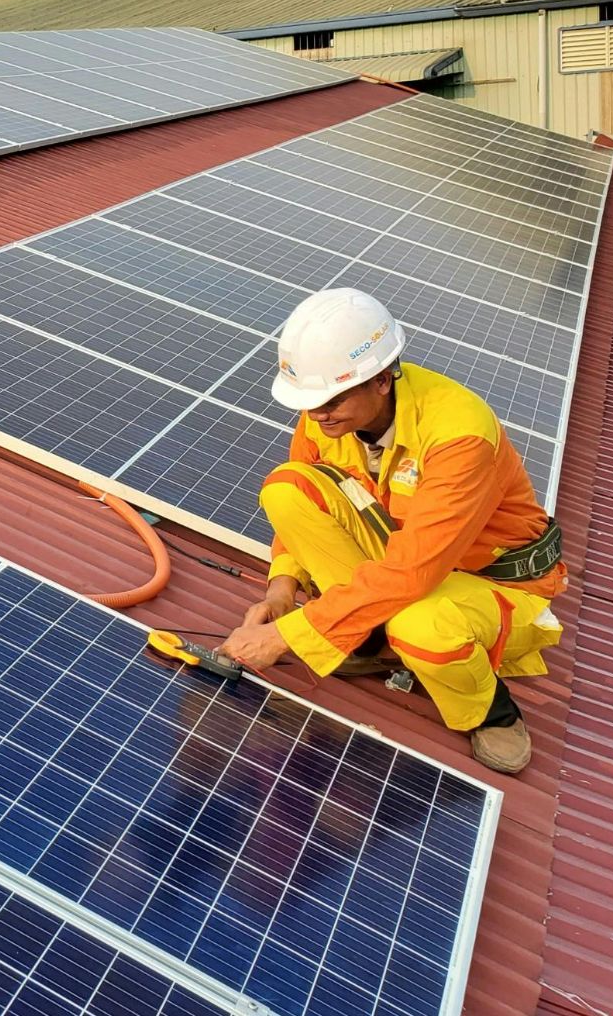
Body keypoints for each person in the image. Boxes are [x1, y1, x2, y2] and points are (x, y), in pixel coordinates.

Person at [219, 288, 566, 774]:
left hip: (492, 581)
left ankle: (490, 710)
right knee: (286, 488)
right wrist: (282, 590)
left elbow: (414, 569)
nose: (316, 413)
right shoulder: (326, 417)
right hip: (406, 560)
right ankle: (362, 639)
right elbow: (306, 510)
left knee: (419, 624)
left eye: (331, 398)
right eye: (309, 400)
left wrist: (288, 636)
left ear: (381, 380)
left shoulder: (459, 435)